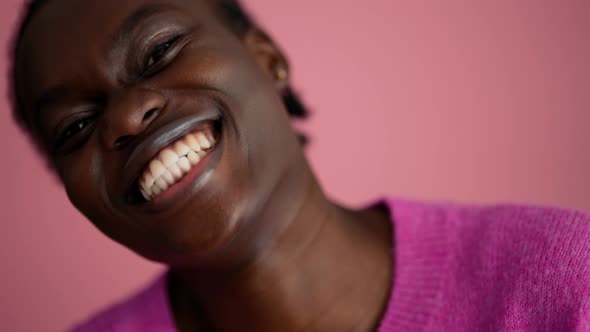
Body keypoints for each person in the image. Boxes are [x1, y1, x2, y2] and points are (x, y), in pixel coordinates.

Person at [9, 0, 590, 331]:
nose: (127, 117)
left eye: (159, 52)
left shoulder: (560, 281)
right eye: (75, 128)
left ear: (266, 60)